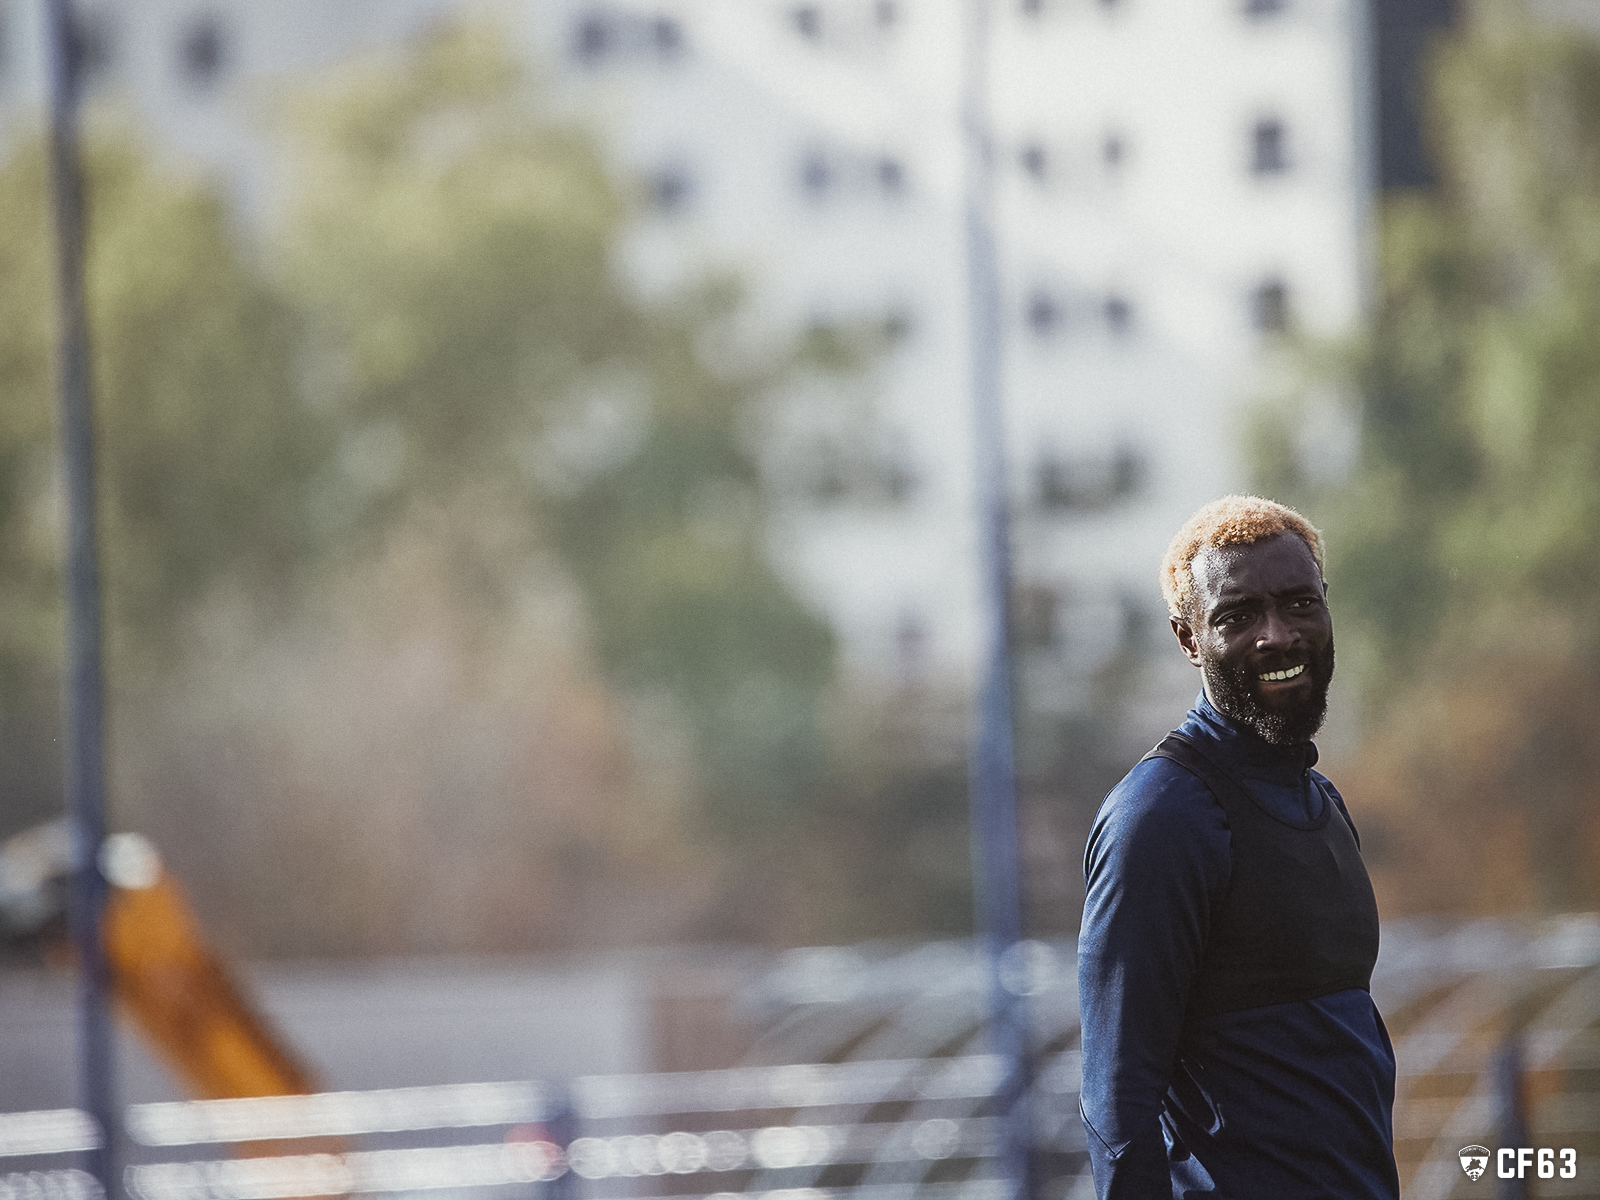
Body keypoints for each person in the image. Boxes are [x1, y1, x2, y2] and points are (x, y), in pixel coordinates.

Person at [1077, 495, 1399, 1199]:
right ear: (1189, 639)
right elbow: (1116, 1104)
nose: (1278, 635)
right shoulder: (1161, 818)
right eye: (1237, 616)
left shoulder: (1323, 802)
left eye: (1298, 603)